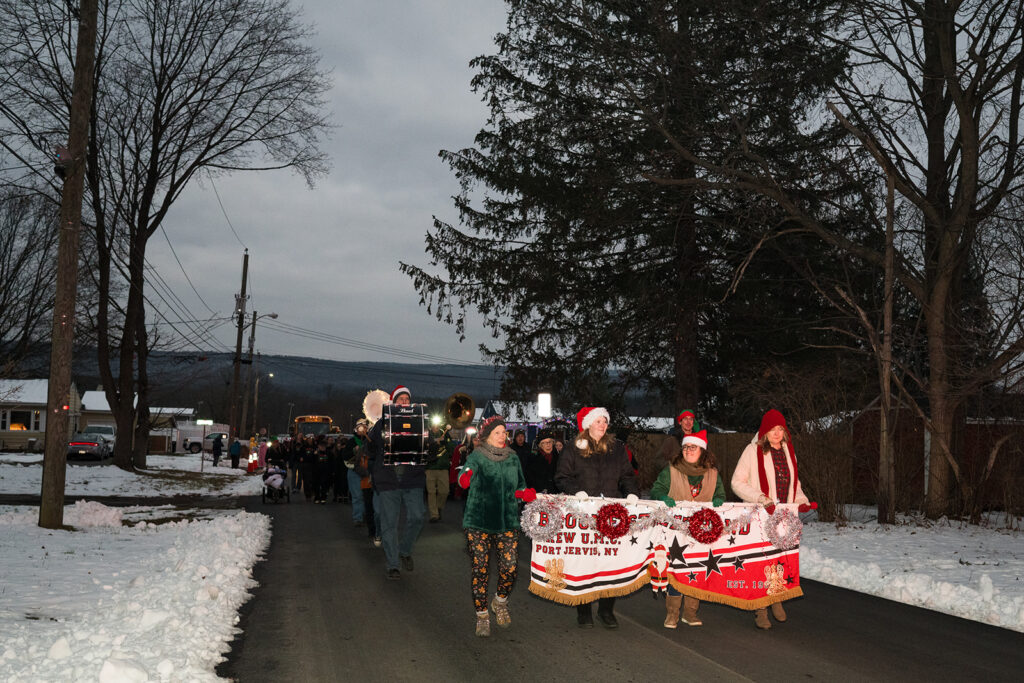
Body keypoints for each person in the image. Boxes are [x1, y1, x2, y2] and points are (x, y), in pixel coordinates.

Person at [555, 406, 638, 629]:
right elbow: (562, 477)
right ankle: (584, 610)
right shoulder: (574, 448)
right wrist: (576, 491)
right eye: (598, 421)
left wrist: (630, 492)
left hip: (612, 513)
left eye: (605, 421)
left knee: (610, 561)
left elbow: (628, 474)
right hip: (584, 512)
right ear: (588, 424)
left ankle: (606, 610)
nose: (602, 425)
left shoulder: (617, 448)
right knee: (585, 561)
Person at [731, 408, 810, 630]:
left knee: (779, 560)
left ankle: (776, 598)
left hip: (783, 516)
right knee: (762, 561)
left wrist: (802, 501)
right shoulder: (752, 451)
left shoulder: (788, 451)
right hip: (761, 514)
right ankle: (761, 609)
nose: (777, 434)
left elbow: (794, 484)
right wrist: (760, 498)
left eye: (780, 429)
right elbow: (737, 482)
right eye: (773, 429)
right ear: (764, 431)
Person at [457, 415, 534, 637]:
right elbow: (464, 476)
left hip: (507, 521)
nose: (503, 436)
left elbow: (519, 485)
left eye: (504, 432)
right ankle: (482, 615)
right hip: (479, 522)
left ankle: (500, 603)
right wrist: (466, 477)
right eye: (498, 432)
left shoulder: (512, 458)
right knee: (480, 569)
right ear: (488, 435)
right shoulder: (478, 456)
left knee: (510, 568)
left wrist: (524, 493)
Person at [649, 429, 724, 628]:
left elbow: (721, 494)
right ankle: (672, 613)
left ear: (703, 451)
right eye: (686, 447)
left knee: (697, 570)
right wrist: (663, 497)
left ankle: (690, 613)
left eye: (693, 447)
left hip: (702, 532)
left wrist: (719, 500)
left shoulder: (713, 473)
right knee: (676, 570)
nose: (689, 450)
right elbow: (656, 489)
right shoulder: (671, 470)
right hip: (676, 531)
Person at [366, 385, 433, 579]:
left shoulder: (420, 422)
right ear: (393, 403)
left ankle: (404, 550)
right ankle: (393, 564)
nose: (404, 402)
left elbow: (429, 447)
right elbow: (369, 451)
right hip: (389, 480)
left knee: (417, 517)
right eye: (400, 399)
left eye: (407, 399)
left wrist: (432, 438)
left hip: (412, 479)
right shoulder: (382, 423)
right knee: (389, 524)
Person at [425, 425, 454, 522]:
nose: (435, 426)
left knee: (445, 491)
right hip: (430, 467)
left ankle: (438, 507)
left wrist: (445, 441)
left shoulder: (445, 434)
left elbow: (451, 449)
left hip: (443, 467)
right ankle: (434, 515)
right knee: (431, 492)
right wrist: (433, 443)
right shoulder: (426, 434)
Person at [523, 428, 560, 493]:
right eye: (544, 443)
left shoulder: (559, 458)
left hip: (556, 494)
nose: (548, 445)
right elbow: (528, 479)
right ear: (540, 445)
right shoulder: (533, 459)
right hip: (539, 495)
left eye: (550, 442)